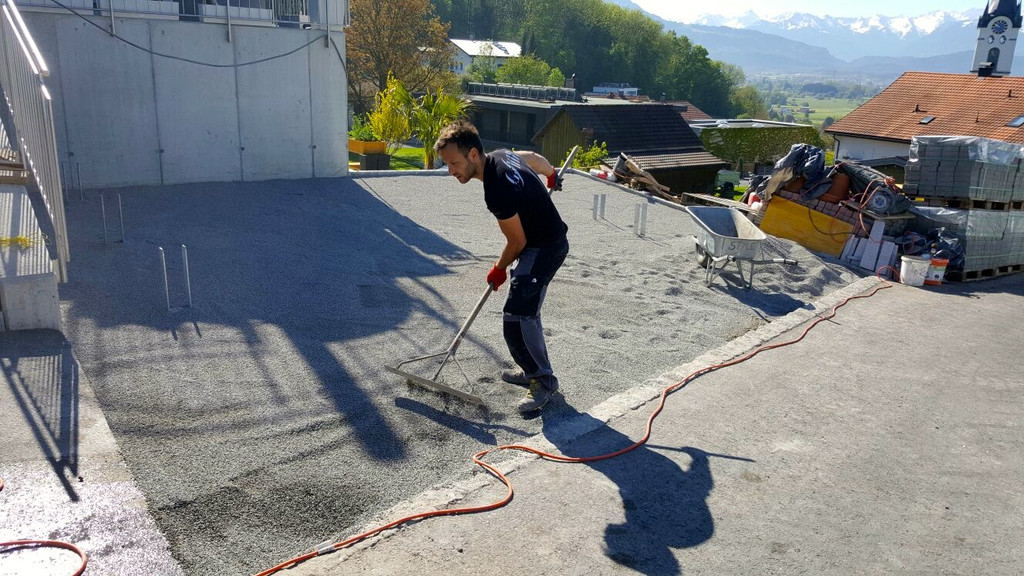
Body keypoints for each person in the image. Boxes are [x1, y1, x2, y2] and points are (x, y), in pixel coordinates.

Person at [434, 120, 569, 413]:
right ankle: (531, 368)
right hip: (540, 242)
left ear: (472, 154)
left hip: (545, 248)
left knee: (518, 317)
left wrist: (498, 268)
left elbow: (516, 242)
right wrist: (551, 174)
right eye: (447, 164)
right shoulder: (502, 155)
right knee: (519, 314)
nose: (450, 171)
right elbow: (535, 159)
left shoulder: (496, 189)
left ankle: (543, 381)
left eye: (454, 163)